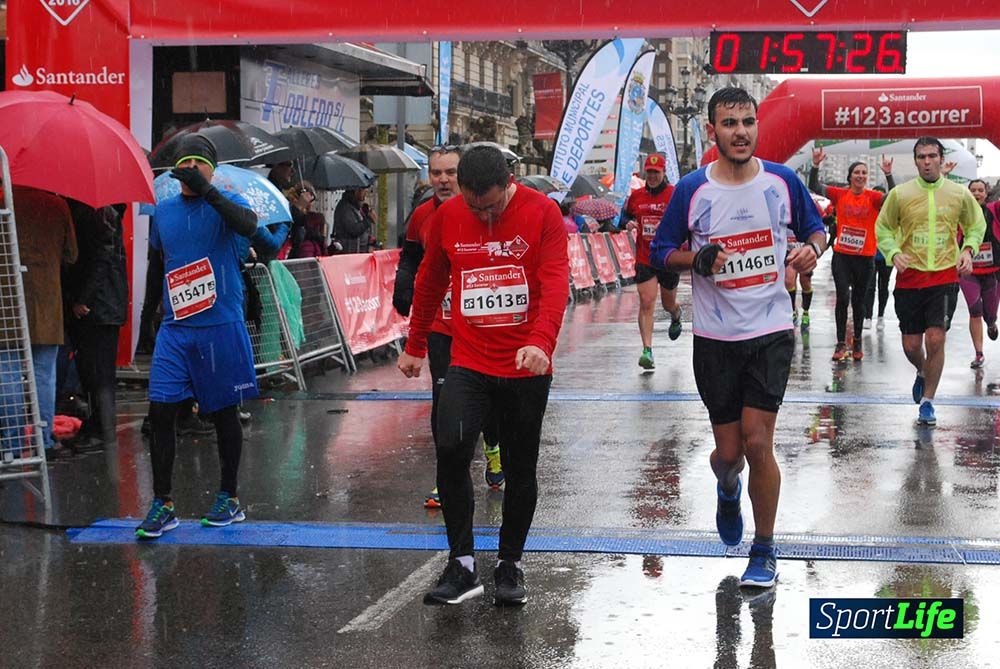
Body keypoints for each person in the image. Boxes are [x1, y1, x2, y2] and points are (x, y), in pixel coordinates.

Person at [650, 87, 826, 588]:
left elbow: (817, 229)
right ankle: (728, 490)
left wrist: (813, 249)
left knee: (756, 443)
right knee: (728, 455)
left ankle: (765, 549)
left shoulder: (782, 180)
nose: (741, 131)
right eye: (730, 123)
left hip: (771, 329)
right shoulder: (691, 190)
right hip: (715, 337)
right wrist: (696, 259)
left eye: (748, 121)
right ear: (713, 131)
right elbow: (660, 250)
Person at [397, 146, 568, 606]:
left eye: (491, 206)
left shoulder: (543, 213)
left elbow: (555, 283)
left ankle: (510, 563)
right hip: (468, 359)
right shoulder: (450, 215)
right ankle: (463, 564)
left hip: (525, 363)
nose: (483, 214)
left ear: (510, 181)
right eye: (475, 207)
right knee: (450, 447)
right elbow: (431, 279)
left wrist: (541, 342)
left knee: (519, 467)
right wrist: (415, 345)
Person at [136, 133, 260, 540]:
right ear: (175, 170)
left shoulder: (227, 205)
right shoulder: (165, 211)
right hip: (176, 328)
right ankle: (163, 502)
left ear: (212, 168)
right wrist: (146, 318)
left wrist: (208, 190)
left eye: (200, 163)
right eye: (185, 163)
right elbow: (159, 264)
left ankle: (230, 496)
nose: (192, 170)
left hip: (219, 326)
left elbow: (250, 226)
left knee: (223, 413)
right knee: (161, 413)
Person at [392, 145, 505, 509]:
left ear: (465, 175)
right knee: (443, 402)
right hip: (443, 324)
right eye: (435, 172)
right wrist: (403, 287)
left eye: (450, 173)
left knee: (487, 400)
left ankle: (493, 447)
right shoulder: (423, 215)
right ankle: (447, 476)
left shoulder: (486, 211)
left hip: (482, 325)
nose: (442, 180)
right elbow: (410, 257)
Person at [875, 136, 985, 427]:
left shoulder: (958, 194)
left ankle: (928, 402)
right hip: (910, 277)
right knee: (912, 346)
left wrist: (969, 249)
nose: (927, 162)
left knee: (936, 338)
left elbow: (976, 225)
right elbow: (883, 228)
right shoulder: (901, 194)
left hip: (944, 275)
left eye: (932, 156)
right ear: (915, 161)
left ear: (940, 158)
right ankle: (922, 371)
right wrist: (893, 252)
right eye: (921, 157)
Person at [7, 186, 78, 460]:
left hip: (8, 302)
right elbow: (71, 255)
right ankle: (43, 441)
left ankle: (11, 446)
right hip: (46, 303)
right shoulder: (57, 206)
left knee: (9, 375)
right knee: (44, 375)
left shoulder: (4, 201)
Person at [809, 149, 894, 361]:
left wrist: (888, 174)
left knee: (858, 300)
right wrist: (815, 165)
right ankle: (840, 343)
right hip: (843, 256)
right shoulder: (840, 194)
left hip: (865, 257)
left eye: (864, 173)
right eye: (857, 172)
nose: (861, 176)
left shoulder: (873, 197)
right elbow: (814, 187)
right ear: (850, 177)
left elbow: (893, 198)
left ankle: (856, 341)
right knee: (843, 298)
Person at [65, 202, 128, 448]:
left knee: (98, 372)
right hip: (101, 304)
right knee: (92, 371)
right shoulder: (100, 212)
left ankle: (102, 428)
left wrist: (84, 299)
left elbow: (102, 258)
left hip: (100, 306)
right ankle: (97, 424)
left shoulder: (98, 214)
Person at [621, 154, 682, 370]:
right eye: (649, 173)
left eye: (656, 173)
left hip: (667, 258)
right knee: (646, 303)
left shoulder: (674, 194)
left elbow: (684, 221)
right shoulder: (636, 196)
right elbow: (623, 218)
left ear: (664, 172)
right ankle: (647, 350)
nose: (653, 177)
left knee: (667, 304)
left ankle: (676, 314)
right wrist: (627, 223)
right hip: (645, 258)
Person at [960, 179, 1000, 368]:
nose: (976, 194)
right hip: (969, 271)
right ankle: (979, 354)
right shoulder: (961, 212)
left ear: (986, 193)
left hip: (992, 272)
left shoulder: (994, 209)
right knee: (974, 310)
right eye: (973, 190)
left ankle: (992, 323)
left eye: (980, 190)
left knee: (990, 313)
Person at [332, 187, 375, 254]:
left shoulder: (354, 206)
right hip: (349, 251)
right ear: (356, 191)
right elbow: (353, 230)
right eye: (364, 190)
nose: (366, 193)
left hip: (358, 250)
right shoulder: (345, 208)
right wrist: (368, 220)